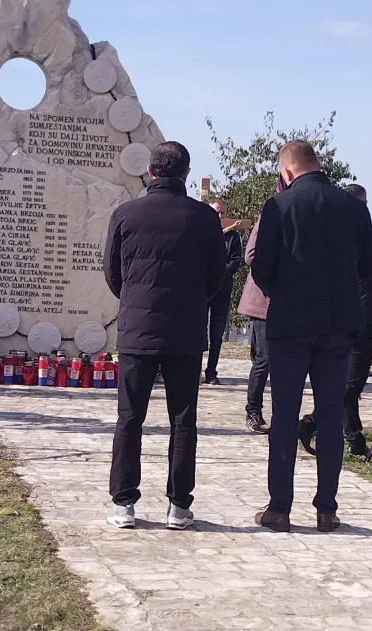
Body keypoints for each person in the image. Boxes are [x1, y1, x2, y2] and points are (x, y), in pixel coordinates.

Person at [251, 141, 372, 533]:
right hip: (338, 325)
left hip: (289, 324)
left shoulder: (278, 205)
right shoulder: (354, 207)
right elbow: (367, 268)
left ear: (287, 171)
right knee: (331, 415)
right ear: (318, 164)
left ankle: (279, 509)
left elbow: (261, 266)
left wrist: (283, 294)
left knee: (284, 416)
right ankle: (327, 509)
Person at [103, 141, 226, 530]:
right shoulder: (205, 218)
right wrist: (194, 302)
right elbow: (216, 276)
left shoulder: (126, 214)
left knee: (129, 418)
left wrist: (136, 300)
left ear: (151, 170)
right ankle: (179, 505)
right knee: (183, 419)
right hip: (186, 331)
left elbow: (112, 274)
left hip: (137, 329)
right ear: (186, 173)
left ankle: (123, 503)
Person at [299, 184, 372, 456]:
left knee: (345, 377)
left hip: (333, 313)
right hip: (362, 315)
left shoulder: (329, 234)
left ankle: (354, 439)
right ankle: (311, 423)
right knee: (353, 382)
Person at [238, 217, 271, 434]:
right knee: (264, 359)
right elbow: (250, 256)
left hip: (290, 304)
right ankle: (253, 411)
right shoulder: (268, 219)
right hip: (263, 302)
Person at [205, 199, 242, 385]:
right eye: (216, 212)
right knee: (197, 332)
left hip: (222, 289)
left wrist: (220, 273)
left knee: (217, 334)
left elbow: (236, 261)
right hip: (203, 290)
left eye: (223, 213)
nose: (220, 216)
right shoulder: (202, 232)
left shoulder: (233, 236)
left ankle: (211, 371)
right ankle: (193, 371)